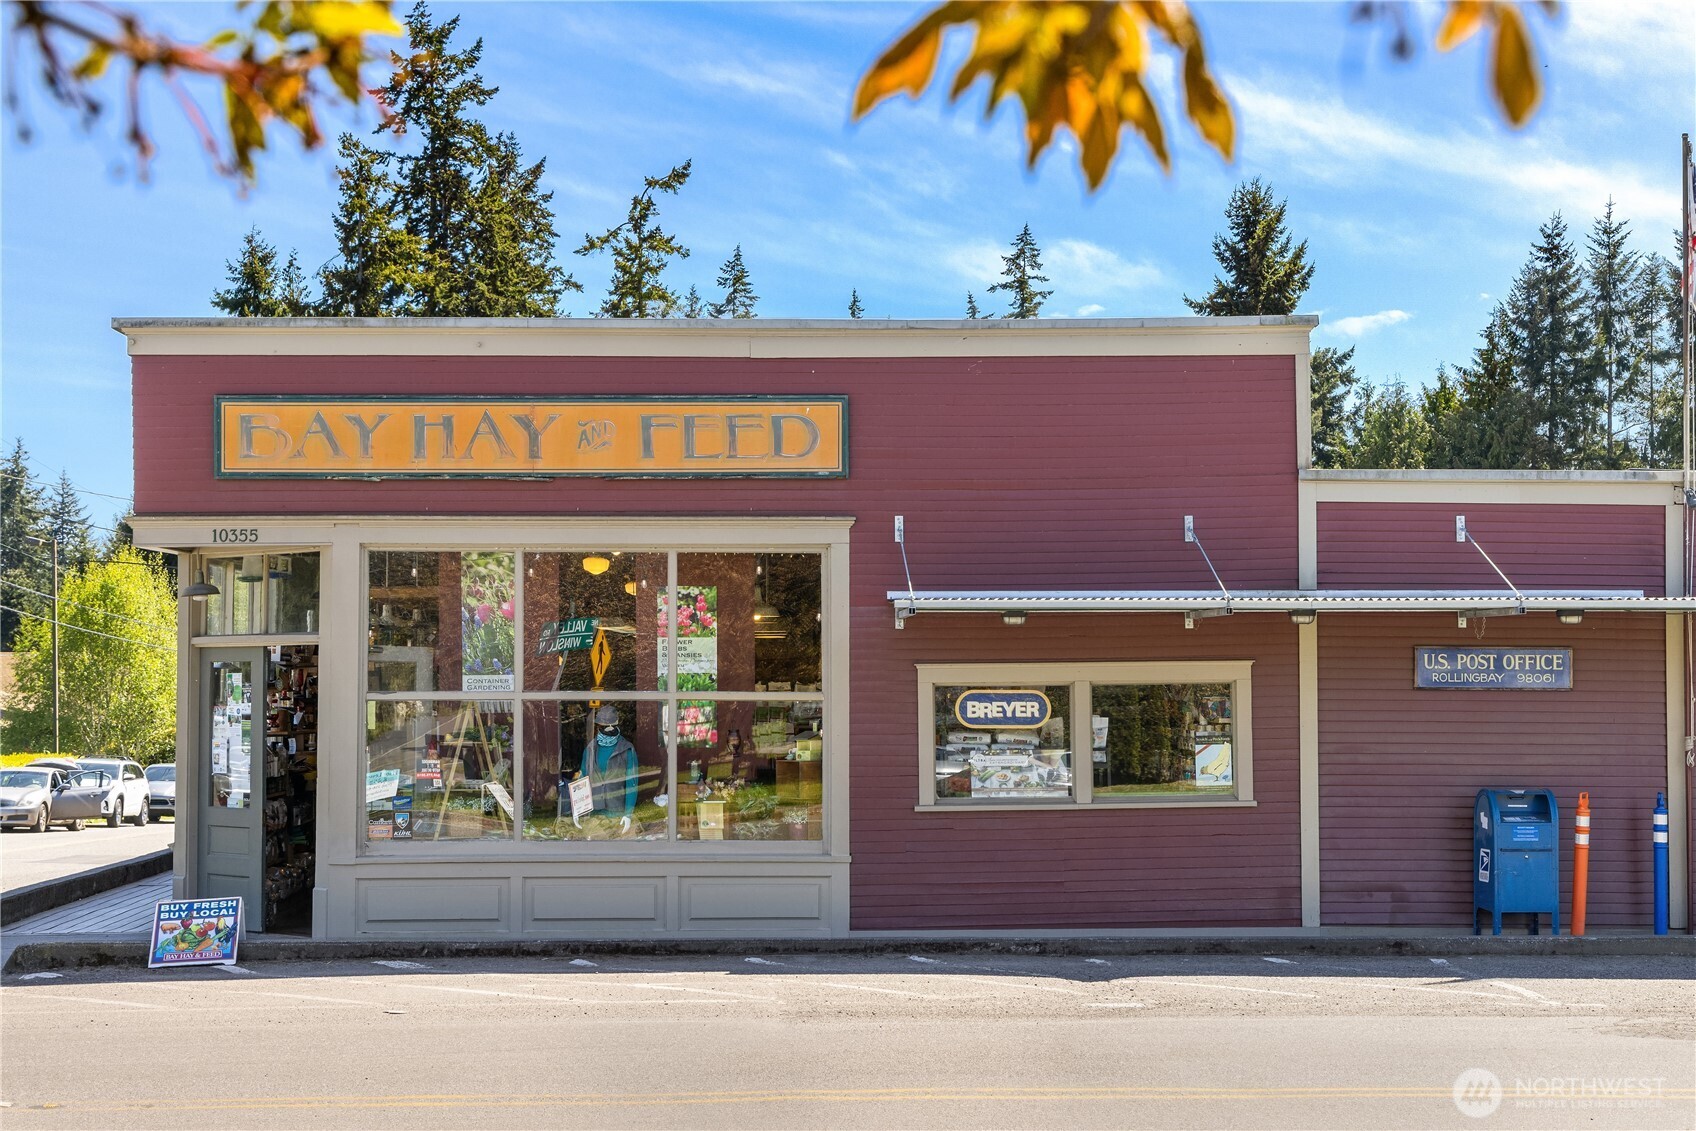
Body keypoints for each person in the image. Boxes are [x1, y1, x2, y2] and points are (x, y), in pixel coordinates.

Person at [563, 704, 636, 837]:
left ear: (616, 723)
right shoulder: (590, 749)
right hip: (595, 811)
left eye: (611, 724)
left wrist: (628, 814)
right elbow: (582, 781)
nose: (608, 727)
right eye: (604, 724)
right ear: (598, 726)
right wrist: (578, 810)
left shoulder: (626, 749)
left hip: (616, 811)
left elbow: (632, 783)